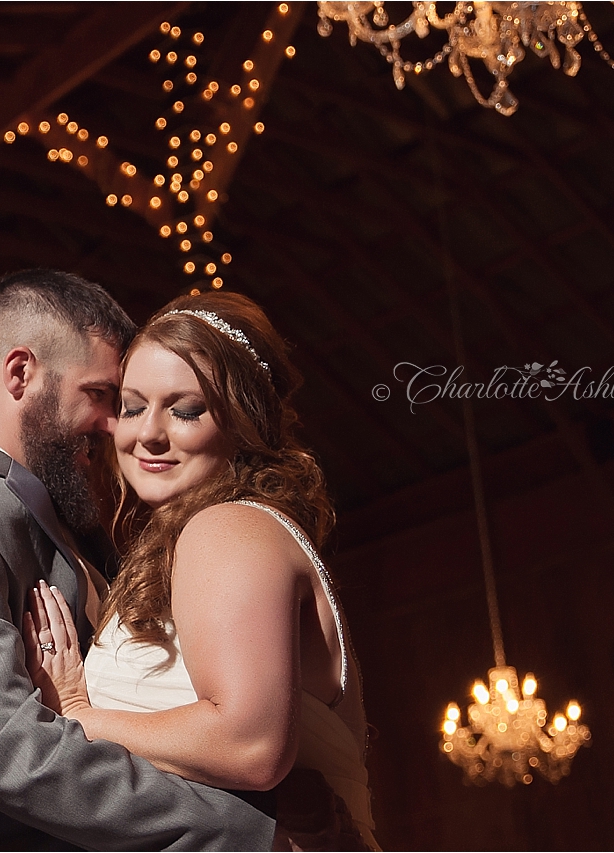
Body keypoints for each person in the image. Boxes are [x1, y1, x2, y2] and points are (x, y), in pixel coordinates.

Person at [0, 270, 276, 850]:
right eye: (100, 396)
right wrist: (237, 830)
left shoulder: (65, 518)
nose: (115, 426)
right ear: (21, 373)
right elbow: (10, 751)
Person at [23, 291, 379, 850]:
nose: (149, 434)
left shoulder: (225, 530)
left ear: (243, 421)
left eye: (186, 410)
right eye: (134, 406)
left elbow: (250, 744)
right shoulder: (216, 533)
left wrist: (77, 716)